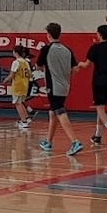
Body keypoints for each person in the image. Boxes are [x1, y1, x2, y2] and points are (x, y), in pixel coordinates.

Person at [37, 22, 82, 156]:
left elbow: (39, 66)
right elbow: (75, 70)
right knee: (53, 112)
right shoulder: (67, 49)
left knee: (59, 111)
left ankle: (75, 141)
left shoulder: (46, 49)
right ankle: (48, 141)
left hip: (53, 87)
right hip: (64, 86)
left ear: (48, 35)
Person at [77, 15, 107, 148]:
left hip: (98, 80)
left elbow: (86, 65)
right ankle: (97, 135)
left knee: (100, 108)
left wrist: (79, 64)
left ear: (99, 34)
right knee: (100, 108)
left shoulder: (94, 48)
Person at [9, 45, 33, 129]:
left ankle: (24, 122)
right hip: (25, 84)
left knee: (18, 104)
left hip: (18, 85)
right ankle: (26, 118)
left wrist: (6, 80)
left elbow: (12, 74)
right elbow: (30, 74)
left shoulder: (16, 62)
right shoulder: (25, 62)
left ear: (15, 52)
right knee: (21, 102)